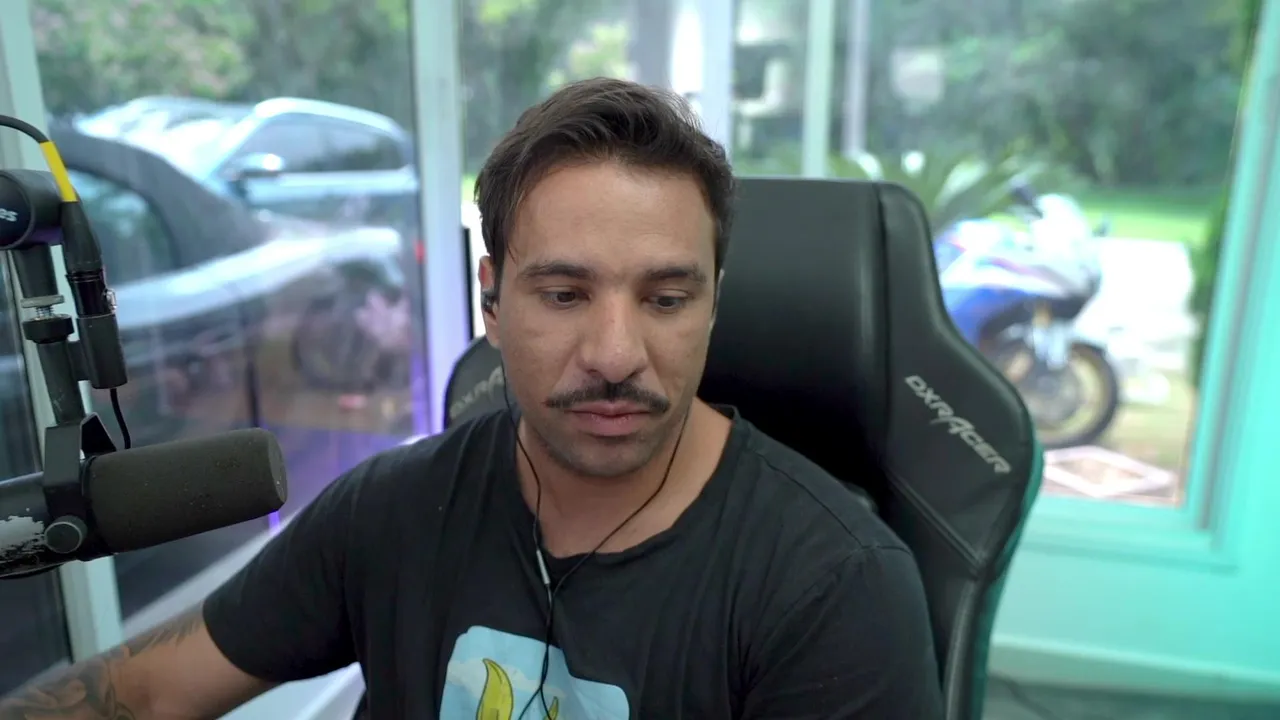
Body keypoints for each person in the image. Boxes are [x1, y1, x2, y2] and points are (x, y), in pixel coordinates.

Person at [0, 78, 943, 719]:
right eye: (564, 294)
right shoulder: (394, 511)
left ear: (713, 305)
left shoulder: (836, 587)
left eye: (666, 299)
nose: (617, 354)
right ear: (491, 300)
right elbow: (145, 691)